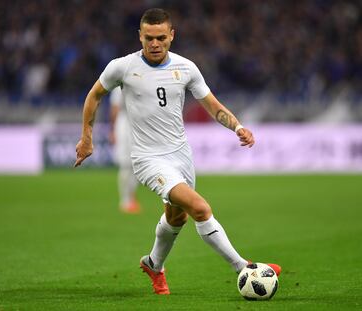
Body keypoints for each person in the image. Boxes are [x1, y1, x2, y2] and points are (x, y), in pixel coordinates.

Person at [75, 8, 281, 295]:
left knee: (177, 218)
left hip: (181, 155)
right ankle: (244, 267)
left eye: (161, 37)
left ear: (171, 35)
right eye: (149, 38)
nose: (155, 43)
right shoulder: (121, 67)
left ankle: (153, 264)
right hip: (148, 159)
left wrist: (237, 127)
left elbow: (212, 105)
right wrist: (87, 137)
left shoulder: (186, 68)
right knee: (199, 208)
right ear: (140, 36)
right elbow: (94, 95)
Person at [109, 87, 141, 213]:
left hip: (138, 124)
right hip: (124, 125)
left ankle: (131, 197)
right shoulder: (119, 87)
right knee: (126, 164)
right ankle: (125, 200)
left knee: (136, 164)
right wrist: (112, 130)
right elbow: (115, 108)